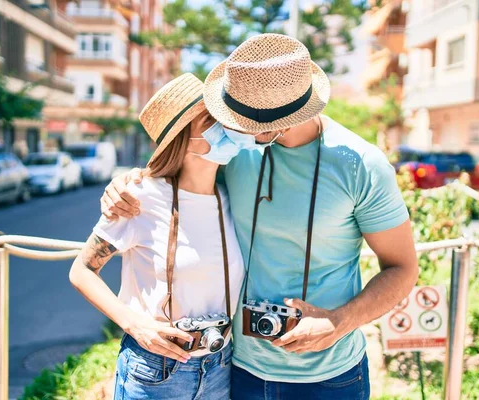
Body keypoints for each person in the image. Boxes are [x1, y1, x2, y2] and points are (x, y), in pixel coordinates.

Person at [101, 34, 418, 399]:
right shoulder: (236, 151)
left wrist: (338, 322)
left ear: (277, 122)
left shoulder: (363, 165)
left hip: (331, 378)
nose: (228, 126)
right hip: (240, 371)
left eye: (237, 118)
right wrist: (126, 182)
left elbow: (403, 268)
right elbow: (176, 173)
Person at [69, 74, 247, 399]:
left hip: (219, 365)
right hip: (155, 371)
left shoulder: (230, 194)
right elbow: (81, 271)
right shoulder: (141, 196)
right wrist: (134, 325)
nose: (226, 126)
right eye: (211, 120)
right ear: (185, 140)